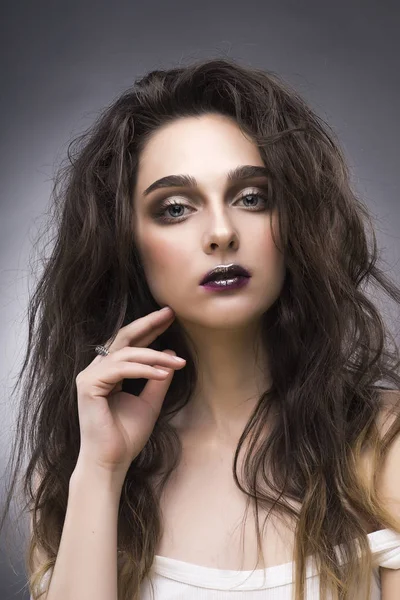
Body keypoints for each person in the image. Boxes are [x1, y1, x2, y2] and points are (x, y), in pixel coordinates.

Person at [2, 57, 400, 600]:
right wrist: (101, 470)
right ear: (128, 244)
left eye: (252, 198)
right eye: (174, 208)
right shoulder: (74, 469)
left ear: (296, 221)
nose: (220, 232)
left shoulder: (384, 445)